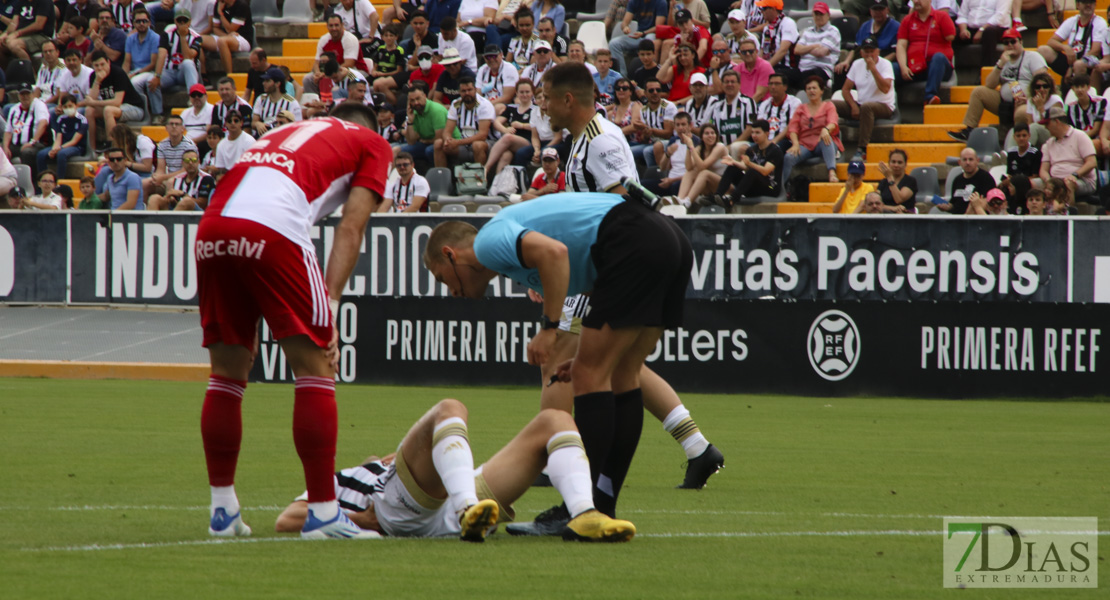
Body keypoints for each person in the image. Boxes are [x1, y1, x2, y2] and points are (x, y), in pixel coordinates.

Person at [423, 189, 690, 520]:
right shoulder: (509, 260)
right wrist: (584, 357)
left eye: (442, 278)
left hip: (632, 238)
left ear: (450, 253)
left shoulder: (487, 244)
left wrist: (550, 328)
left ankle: (579, 508)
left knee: (592, 377)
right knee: (623, 375)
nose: (450, 290)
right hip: (669, 240)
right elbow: (587, 273)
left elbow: (554, 252)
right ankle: (601, 504)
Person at [197, 102, 391, 541]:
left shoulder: (284, 133)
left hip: (212, 227)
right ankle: (324, 514)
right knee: (316, 367)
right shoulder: (371, 142)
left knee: (226, 375)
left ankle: (222, 512)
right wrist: (332, 304)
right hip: (274, 228)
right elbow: (351, 226)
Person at [274, 398, 637, 542]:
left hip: (451, 502)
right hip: (399, 511)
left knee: (554, 420)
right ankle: (468, 508)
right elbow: (288, 520)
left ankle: (584, 514)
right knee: (450, 407)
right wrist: (362, 520)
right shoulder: (343, 479)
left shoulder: (389, 465)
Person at [948, 27, 1047, 142]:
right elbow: (989, 85)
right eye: (1006, 43)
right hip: (1004, 103)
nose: (1009, 45)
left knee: (1021, 111)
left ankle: (1019, 140)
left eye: (1013, 41)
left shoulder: (1032, 57)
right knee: (978, 92)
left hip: (1026, 102)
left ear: (1021, 42)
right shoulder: (1003, 60)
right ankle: (969, 130)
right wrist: (1000, 65)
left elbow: (1043, 82)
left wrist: (1029, 99)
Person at [834, 36, 895, 161]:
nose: (869, 54)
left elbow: (885, 88)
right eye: (866, 51)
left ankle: (862, 148)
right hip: (861, 104)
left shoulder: (886, 64)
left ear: (877, 51)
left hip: (883, 106)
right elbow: (845, 90)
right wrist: (853, 106)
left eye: (871, 51)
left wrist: (873, 69)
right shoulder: (857, 64)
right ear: (861, 53)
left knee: (867, 107)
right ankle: (831, 143)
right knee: (830, 104)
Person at [895, 0, 955, 106]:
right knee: (891, 69)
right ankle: (887, 104)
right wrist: (903, 67)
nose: (916, 1)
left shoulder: (941, 16)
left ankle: (929, 98)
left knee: (938, 57)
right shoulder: (907, 20)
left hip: (939, 67)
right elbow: (901, 45)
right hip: (916, 65)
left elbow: (950, 36)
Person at [783, 75, 840, 184]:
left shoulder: (828, 105)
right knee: (788, 157)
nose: (811, 91)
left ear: (822, 91)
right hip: (805, 144)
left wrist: (826, 129)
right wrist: (795, 144)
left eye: (814, 88)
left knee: (825, 138)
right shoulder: (801, 108)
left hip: (822, 142)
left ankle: (832, 172)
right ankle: (783, 187)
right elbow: (793, 128)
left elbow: (833, 122)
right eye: (808, 89)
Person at [85, 50, 145, 153]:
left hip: (134, 108)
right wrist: (97, 82)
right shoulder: (93, 76)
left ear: (108, 62)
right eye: (96, 66)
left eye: (102, 64)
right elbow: (91, 99)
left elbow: (117, 102)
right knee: (89, 110)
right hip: (117, 108)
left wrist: (94, 103)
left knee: (108, 110)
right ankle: (92, 148)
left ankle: (111, 145)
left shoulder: (118, 73)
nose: (100, 68)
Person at [710, 120, 783, 205]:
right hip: (753, 187)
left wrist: (749, 164)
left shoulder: (775, 151)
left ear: (767, 133)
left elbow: (765, 171)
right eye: (752, 133)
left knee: (752, 172)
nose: (754, 136)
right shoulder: (751, 149)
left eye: (757, 133)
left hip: (770, 188)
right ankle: (717, 195)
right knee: (732, 167)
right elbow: (744, 166)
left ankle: (732, 200)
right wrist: (733, 162)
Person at [1040, 105, 1098, 199]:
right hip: (1055, 180)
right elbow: (1043, 170)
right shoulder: (1048, 143)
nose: (1045, 127)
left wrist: (1075, 175)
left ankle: (1068, 211)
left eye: (1047, 124)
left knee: (1067, 184)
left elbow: (1092, 162)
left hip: (1081, 180)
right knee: (1033, 183)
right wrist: (1048, 181)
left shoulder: (1080, 136)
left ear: (1057, 122)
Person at [435, 76, 494, 167]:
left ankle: (480, 179)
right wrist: (448, 140)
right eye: (463, 91)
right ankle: (442, 176)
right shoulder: (456, 104)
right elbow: (447, 131)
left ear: (475, 90)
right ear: (459, 92)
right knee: (438, 143)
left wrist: (457, 142)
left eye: (470, 90)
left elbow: (483, 135)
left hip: (487, 143)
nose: (467, 93)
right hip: (464, 144)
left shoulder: (484, 105)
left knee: (477, 145)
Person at [304, 14, 368, 97]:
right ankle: (317, 101)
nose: (334, 28)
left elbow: (349, 64)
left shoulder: (350, 39)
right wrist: (318, 73)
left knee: (336, 77)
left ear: (342, 25)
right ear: (327, 26)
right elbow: (316, 62)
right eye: (331, 25)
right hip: (331, 71)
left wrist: (327, 74)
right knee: (308, 79)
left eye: (336, 25)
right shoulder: (324, 40)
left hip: (354, 70)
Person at [1038, 0, 1103, 79]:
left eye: (1091, 2)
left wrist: (1073, 67)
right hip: (1071, 60)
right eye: (1085, 2)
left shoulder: (1099, 22)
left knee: (1079, 64)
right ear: (1078, 5)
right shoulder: (1072, 21)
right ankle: (1042, 84)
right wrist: (1065, 48)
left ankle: (1077, 85)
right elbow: (1051, 41)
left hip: (1089, 63)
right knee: (1043, 50)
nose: (1088, 5)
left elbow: (1095, 51)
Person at [484, 78, 536, 177]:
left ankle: (486, 167)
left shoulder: (536, 109)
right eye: (521, 92)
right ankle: (498, 184)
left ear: (532, 93)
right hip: (511, 143)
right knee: (505, 155)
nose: (524, 95)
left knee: (508, 137)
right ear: (516, 93)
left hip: (529, 141)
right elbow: (497, 121)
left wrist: (522, 126)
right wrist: (504, 129)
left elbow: (538, 126)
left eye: (527, 92)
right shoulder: (511, 108)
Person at [836, 0, 900, 78]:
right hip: (865, 59)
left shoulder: (895, 26)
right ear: (870, 11)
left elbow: (894, 53)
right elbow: (855, 49)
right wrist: (846, 61)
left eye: (881, 9)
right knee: (841, 69)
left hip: (885, 60)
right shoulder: (865, 26)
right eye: (875, 10)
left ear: (887, 10)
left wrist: (878, 64)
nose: (878, 12)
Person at [123, 8, 163, 124]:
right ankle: (133, 112)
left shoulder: (155, 38)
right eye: (138, 21)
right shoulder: (130, 39)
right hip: (135, 71)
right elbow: (127, 62)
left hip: (149, 71)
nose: (141, 24)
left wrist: (135, 74)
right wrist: (124, 75)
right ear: (134, 23)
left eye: (144, 21)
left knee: (136, 82)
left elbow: (153, 63)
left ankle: (155, 114)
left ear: (149, 23)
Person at [158, 9, 202, 112]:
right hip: (169, 72)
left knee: (187, 63)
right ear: (175, 21)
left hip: (184, 73)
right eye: (179, 20)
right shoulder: (166, 34)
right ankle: (158, 113)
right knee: (150, 83)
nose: (182, 23)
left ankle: (192, 98)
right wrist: (157, 76)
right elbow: (162, 54)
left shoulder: (196, 38)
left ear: (190, 21)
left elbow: (189, 56)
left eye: (185, 20)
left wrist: (182, 37)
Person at [610, 0, 667, 76]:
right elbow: (625, 22)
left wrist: (644, 33)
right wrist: (625, 28)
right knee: (614, 43)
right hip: (638, 35)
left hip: (652, 34)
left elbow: (658, 26)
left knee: (649, 40)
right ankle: (621, 76)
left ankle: (649, 74)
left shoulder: (661, 2)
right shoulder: (634, 2)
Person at [147, 114, 198, 197]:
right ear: (166, 127)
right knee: (145, 183)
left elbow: (185, 170)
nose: (174, 126)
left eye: (177, 124)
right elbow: (160, 168)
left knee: (170, 182)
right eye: (171, 124)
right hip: (168, 177)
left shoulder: (189, 145)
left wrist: (163, 178)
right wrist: (156, 177)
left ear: (182, 128)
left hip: (185, 177)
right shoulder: (162, 145)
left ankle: (168, 206)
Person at [146, 148, 214, 211]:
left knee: (187, 201)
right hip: (179, 208)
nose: (190, 163)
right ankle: (151, 222)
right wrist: (171, 199)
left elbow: (203, 204)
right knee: (154, 198)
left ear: (199, 162)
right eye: (187, 161)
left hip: (198, 213)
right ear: (182, 163)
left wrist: (182, 194)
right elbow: (176, 203)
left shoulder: (206, 178)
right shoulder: (178, 178)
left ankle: (170, 222)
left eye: (193, 160)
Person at [401, 80, 450, 166]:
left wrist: (425, 140)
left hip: (446, 144)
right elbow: (411, 141)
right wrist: (410, 121)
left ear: (425, 96)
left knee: (430, 150)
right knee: (400, 151)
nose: (416, 103)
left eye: (418, 98)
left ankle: (438, 175)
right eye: (412, 100)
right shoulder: (414, 112)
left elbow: (439, 139)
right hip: (426, 143)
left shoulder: (436, 110)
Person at [3, 84, 51, 173]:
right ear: (18, 95)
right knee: (1, 151)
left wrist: (32, 141)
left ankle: (31, 181)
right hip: (16, 145)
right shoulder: (14, 109)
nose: (25, 97)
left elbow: (43, 123)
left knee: (27, 152)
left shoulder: (39, 105)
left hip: (36, 144)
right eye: (22, 94)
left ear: (32, 94)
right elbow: (8, 131)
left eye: (27, 94)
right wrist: (5, 147)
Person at [37, 94, 87, 177]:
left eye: (70, 106)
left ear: (76, 105)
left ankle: (59, 181)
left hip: (76, 147)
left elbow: (74, 141)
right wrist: (54, 149)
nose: (68, 109)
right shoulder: (61, 119)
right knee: (41, 155)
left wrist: (60, 149)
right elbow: (58, 137)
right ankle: (43, 179)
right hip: (61, 146)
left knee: (61, 154)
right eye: (65, 107)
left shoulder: (82, 120)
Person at [643, 110, 691, 196]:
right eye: (678, 125)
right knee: (642, 185)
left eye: (683, 124)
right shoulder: (673, 141)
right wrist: (667, 155)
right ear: (674, 127)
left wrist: (671, 181)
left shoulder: (696, 142)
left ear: (690, 126)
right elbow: (662, 168)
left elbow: (695, 173)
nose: (680, 128)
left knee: (675, 186)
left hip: (684, 182)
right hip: (669, 180)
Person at [793, 2, 840, 88]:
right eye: (816, 14)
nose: (818, 17)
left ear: (828, 15)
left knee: (807, 77)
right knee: (782, 76)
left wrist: (805, 49)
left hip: (821, 69)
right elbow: (796, 50)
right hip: (803, 69)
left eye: (821, 14)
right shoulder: (807, 31)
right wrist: (814, 46)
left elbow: (820, 53)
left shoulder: (833, 31)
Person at [713, 69, 756, 158]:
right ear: (722, 85)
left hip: (744, 145)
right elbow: (715, 130)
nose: (729, 84)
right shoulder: (717, 106)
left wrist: (730, 146)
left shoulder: (748, 102)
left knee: (735, 147)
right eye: (726, 82)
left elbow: (750, 128)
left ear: (739, 84)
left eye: (733, 82)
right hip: (723, 146)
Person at [633, 78, 676, 167]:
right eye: (651, 90)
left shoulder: (668, 106)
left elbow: (668, 134)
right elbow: (644, 140)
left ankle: (657, 175)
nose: (655, 92)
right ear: (645, 93)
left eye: (658, 90)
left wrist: (649, 129)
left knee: (648, 151)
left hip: (669, 142)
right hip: (652, 142)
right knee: (629, 151)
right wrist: (646, 134)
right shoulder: (643, 110)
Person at [953, 0, 1010, 66]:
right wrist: (963, 30)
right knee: (952, 33)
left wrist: (982, 30)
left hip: (995, 27)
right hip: (972, 28)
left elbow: (999, 16)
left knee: (989, 32)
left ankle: (986, 70)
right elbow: (962, 15)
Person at [941, 147, 995, 214]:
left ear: (977, 161)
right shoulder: (957, 179)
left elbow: (989, 205)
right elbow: (954, 204)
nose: (968, 162)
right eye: (964, 160)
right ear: (960, 162)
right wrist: (948, 207)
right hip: (957, 221)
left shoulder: (986, 178)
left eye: (971, 159)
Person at [757, 73, 801, 152]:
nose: (773, 87)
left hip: (785, 141)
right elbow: (759, 126)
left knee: (772, 150)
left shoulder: (794, 102)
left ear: (785, 87)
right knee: (741, 148)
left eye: (777, 84)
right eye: (771, 84)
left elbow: (791, 126)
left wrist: (774, 141)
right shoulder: (764, 104)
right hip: (764, 141)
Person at [252, 68, 302, 136]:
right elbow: (253, 122)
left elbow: (297, 128)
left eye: (267, 81)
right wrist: (258, 124)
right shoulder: (261, 99)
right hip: (264, 136)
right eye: (264, 80)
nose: (263, 83)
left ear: (277, 83)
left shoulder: (291, 103)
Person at [756, 0, 799, 80]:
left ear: (773, 9)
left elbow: (783, 50)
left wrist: (766, 67)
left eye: (764, 8)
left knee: (767, 76)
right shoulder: (767, 28)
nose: (761, 11)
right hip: (772, 66)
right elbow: (762, 51)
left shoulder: (787, 23)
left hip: (787, 67)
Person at [1065, 73, 1105, 156]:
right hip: (1078, 142)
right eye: (1077, 87)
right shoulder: (1070, 108)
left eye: (1082, 86)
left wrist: (1080, 140)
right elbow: (1071, 130)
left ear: (1088, 87)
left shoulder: (1100, 102)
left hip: (1098, 140)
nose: (1080, 90)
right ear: (1072, 89)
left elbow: (1096, 129)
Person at [212, 0, 254, 76]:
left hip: (242, 39)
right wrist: (227, 36)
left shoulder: (242, 5)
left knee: (222, 41)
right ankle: (204, 77)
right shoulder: (218, 4)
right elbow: (215, 28)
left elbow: (230, 29)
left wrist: (221, 13)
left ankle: (229, 76)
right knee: (199, 40)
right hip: (225, 36)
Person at [210, 110, 255, 178]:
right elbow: (221, 169)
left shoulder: (249, 141)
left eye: (236, 121)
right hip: (229, 179)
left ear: (241, 123)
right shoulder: (221, 145)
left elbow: (252, 167)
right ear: (226, 124)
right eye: (229, 121)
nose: (232, 123)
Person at [476, 44, 519, 109]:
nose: (492, 60)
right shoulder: (482, 70)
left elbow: (507, 98)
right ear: (484, 58)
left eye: (494, 56)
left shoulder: (509, 69)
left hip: (504, 106)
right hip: (484, 105)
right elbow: (478, 94)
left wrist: (486, 105)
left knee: (498, 107)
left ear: (501, 55)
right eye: (488, 57)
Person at [876, 148, 917, 213]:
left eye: (899, 162)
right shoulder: (883, 182)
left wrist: (890, 178)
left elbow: (898, 199)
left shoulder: (910, 181)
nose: (896, 165)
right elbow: (876, 204)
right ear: (889, 163)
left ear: (905, 164)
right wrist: (893, 208)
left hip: (905, 216)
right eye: (893, 162)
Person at [734, 38, 771, 105]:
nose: (747, 54)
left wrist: (747, 108)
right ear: (740, 54)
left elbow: (760, 94)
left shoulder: (765, 66)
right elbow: (736, 92)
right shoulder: (737, 69)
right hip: (743, 103)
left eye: (751, 51)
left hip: (761, 104)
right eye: (744, 52)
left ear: (756, 51)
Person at [32, 40, 65, 109]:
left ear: (57, 52)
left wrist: (42, 105)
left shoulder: (62, 67)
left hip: (52, 103)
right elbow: (37, 89)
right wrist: (32, 103)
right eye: (45, 52)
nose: (48, 54)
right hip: (41, 101)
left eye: (50, 51)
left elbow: (58, 95)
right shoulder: (43, 67)